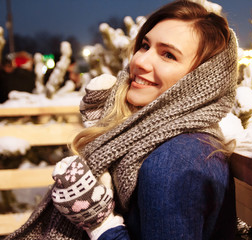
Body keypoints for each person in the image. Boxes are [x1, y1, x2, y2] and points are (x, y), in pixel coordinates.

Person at [5, 0, 239, 239]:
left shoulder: (174, 162)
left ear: (200, 81)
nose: (140, 61)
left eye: (168, 55)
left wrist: (101, 224)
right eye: (145, 45)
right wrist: (108, 121)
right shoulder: (162, 139)